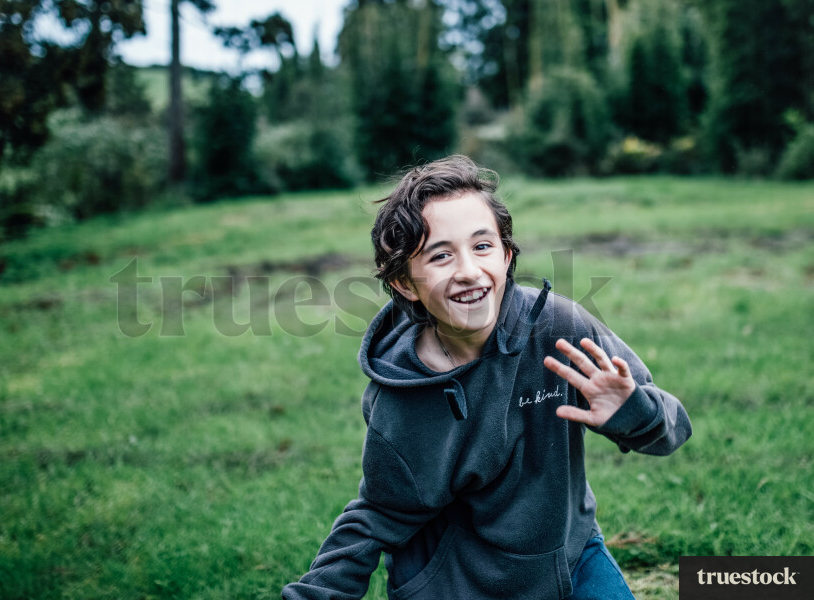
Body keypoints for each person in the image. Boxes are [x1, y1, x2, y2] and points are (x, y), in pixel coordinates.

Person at [282, 155, 691, 600]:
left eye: (482, 247)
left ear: (507, 254)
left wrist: (633, 412)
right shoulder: (401, 397)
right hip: (457, 586)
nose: (469, 271)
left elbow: (671, 432)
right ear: (404, 283)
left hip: (569, 562)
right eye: (441, 255)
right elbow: (379, 513)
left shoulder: (561, 331)